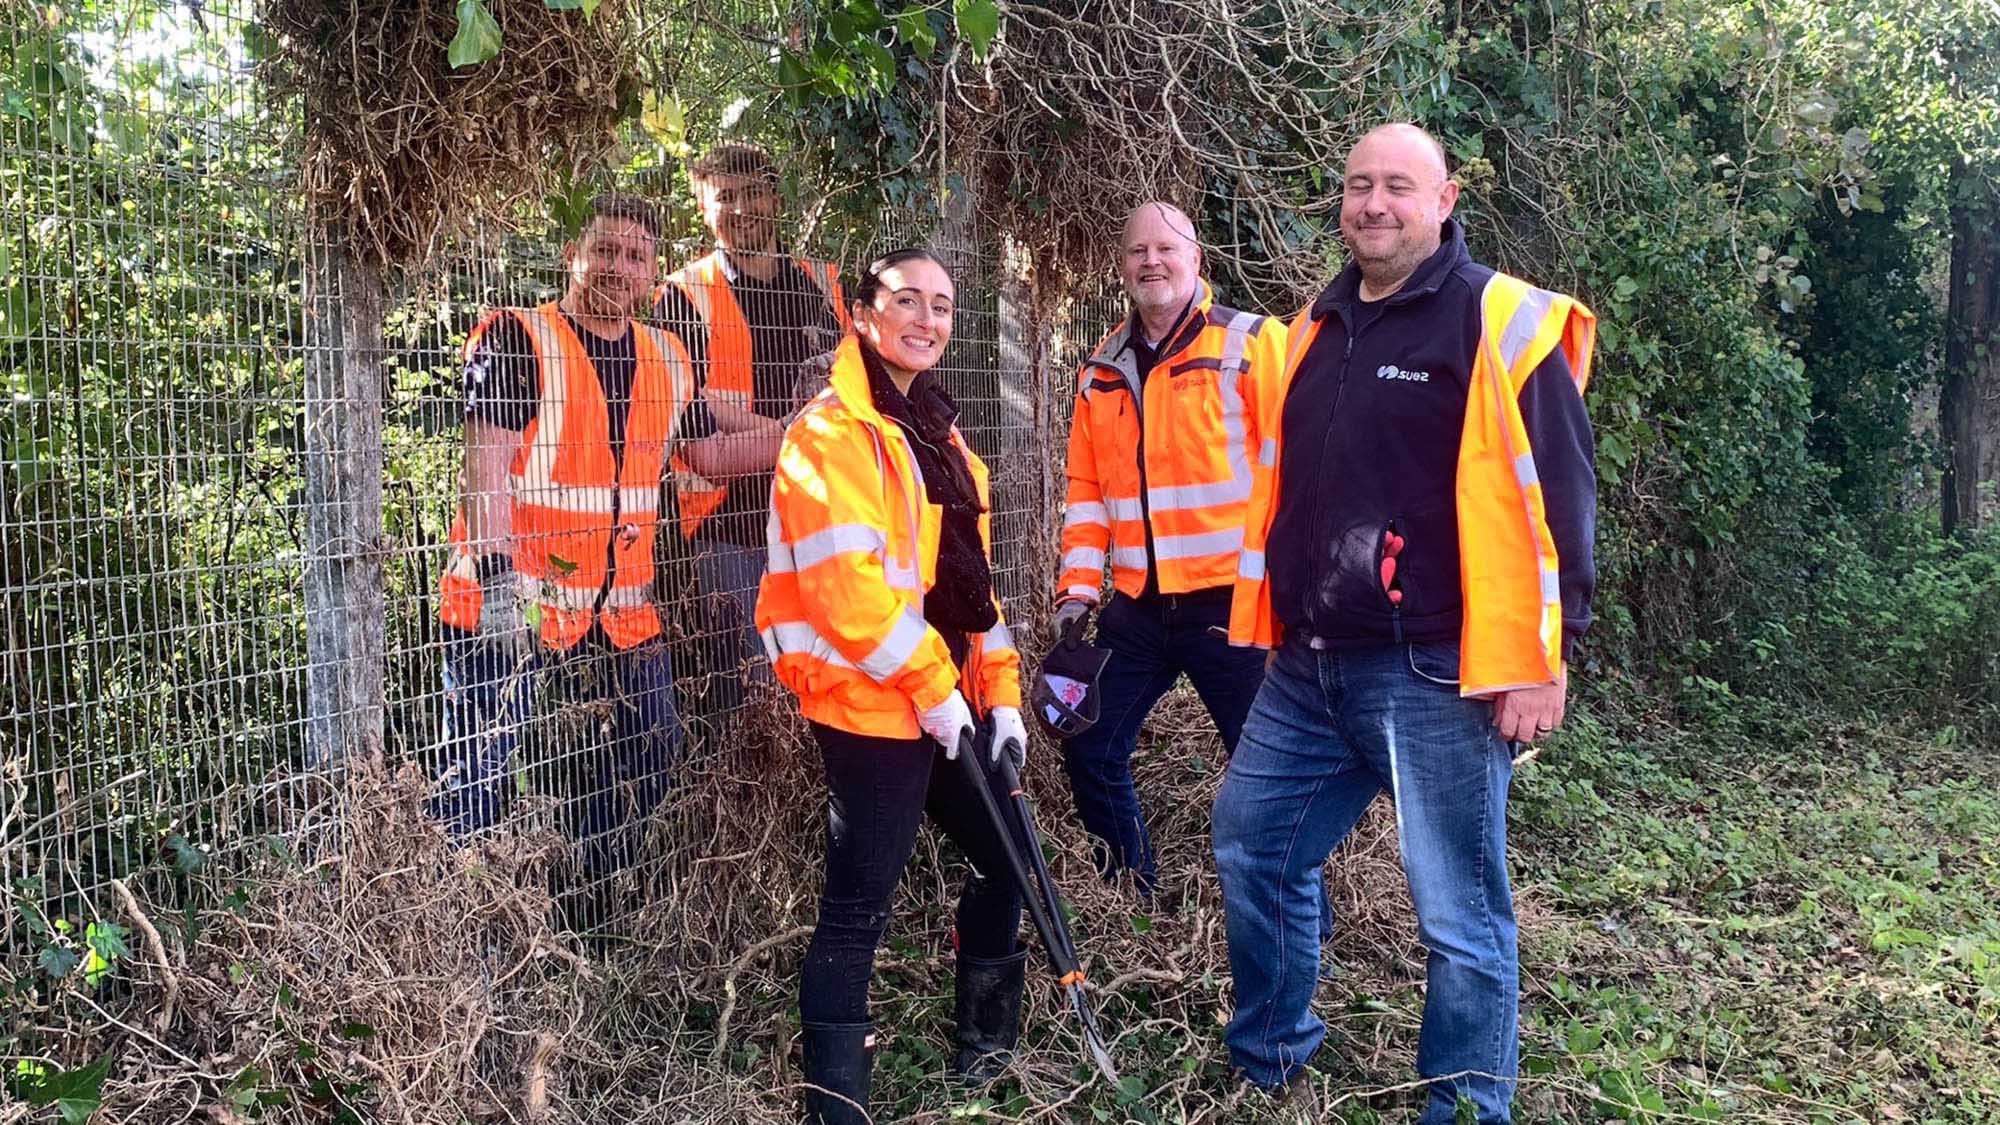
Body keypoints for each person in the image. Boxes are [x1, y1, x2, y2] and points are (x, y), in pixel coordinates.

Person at [1214, 123, 1598, 1122]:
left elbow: (1562, 499)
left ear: (1443, 200)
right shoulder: (1314, 326)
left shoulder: (1496, 317)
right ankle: (1268, 1058)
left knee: (1457, 914)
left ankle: (1465, 1107)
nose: (1373, 204)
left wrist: (1546, 657)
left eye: (1396, 185)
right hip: (1306, 667)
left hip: (1433, 670)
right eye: (1357, 186)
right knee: (1253, 846)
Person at [755, 249, 1030, 1124]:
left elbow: (971, 591)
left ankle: (986, 1053)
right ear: (866, 314)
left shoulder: (942, 436)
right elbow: (849, 594)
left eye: (942, 305)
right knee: (856, 910)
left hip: (947, 698)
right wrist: (933, 689)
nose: (927, 319)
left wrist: (1000, 693)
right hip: (872, 706)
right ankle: (838, 1107)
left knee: (1009, 858)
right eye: (908, 300)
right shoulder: (830, 433)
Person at [429, 194, 761, 919]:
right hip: (512, 605)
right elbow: (484, 472)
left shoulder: (666, 357)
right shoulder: (518, 338)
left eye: (636, 256)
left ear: (652, 274)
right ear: (572, 256)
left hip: (620, 615)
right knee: (478, 775)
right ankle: (462, 937)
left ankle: (586, 913)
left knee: (652, 749)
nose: (619, 266)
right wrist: (499, 588)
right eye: (605, 249)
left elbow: (708, 452)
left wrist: (811, 428)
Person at [1050, 202, 1290, 900]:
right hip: (1139, 606)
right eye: (1138, 251)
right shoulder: (1101, 369)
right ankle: (1133, 898)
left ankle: (1295, 924)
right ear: (1123, 266)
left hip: (1233, 607)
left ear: (1196, 259)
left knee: (1269, 774)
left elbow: (1297, 471)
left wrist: (1293, 593)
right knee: (1090, 743)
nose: (1151, 261)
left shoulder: (1251, 344)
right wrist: (1077, 590)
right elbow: (1087, 491)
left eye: (1166, 248)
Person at [657, 142, 849, 718]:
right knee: (751, 698)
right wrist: (795, 435)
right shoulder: (684, 294)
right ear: (702, 207)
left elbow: (852, 386)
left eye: (753, 193)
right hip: (729, 522)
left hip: (823, 520)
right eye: (725, 197)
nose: (741, 209)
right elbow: (686, 407)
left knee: (827, 682)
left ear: (776, 199)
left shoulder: (822, 284)